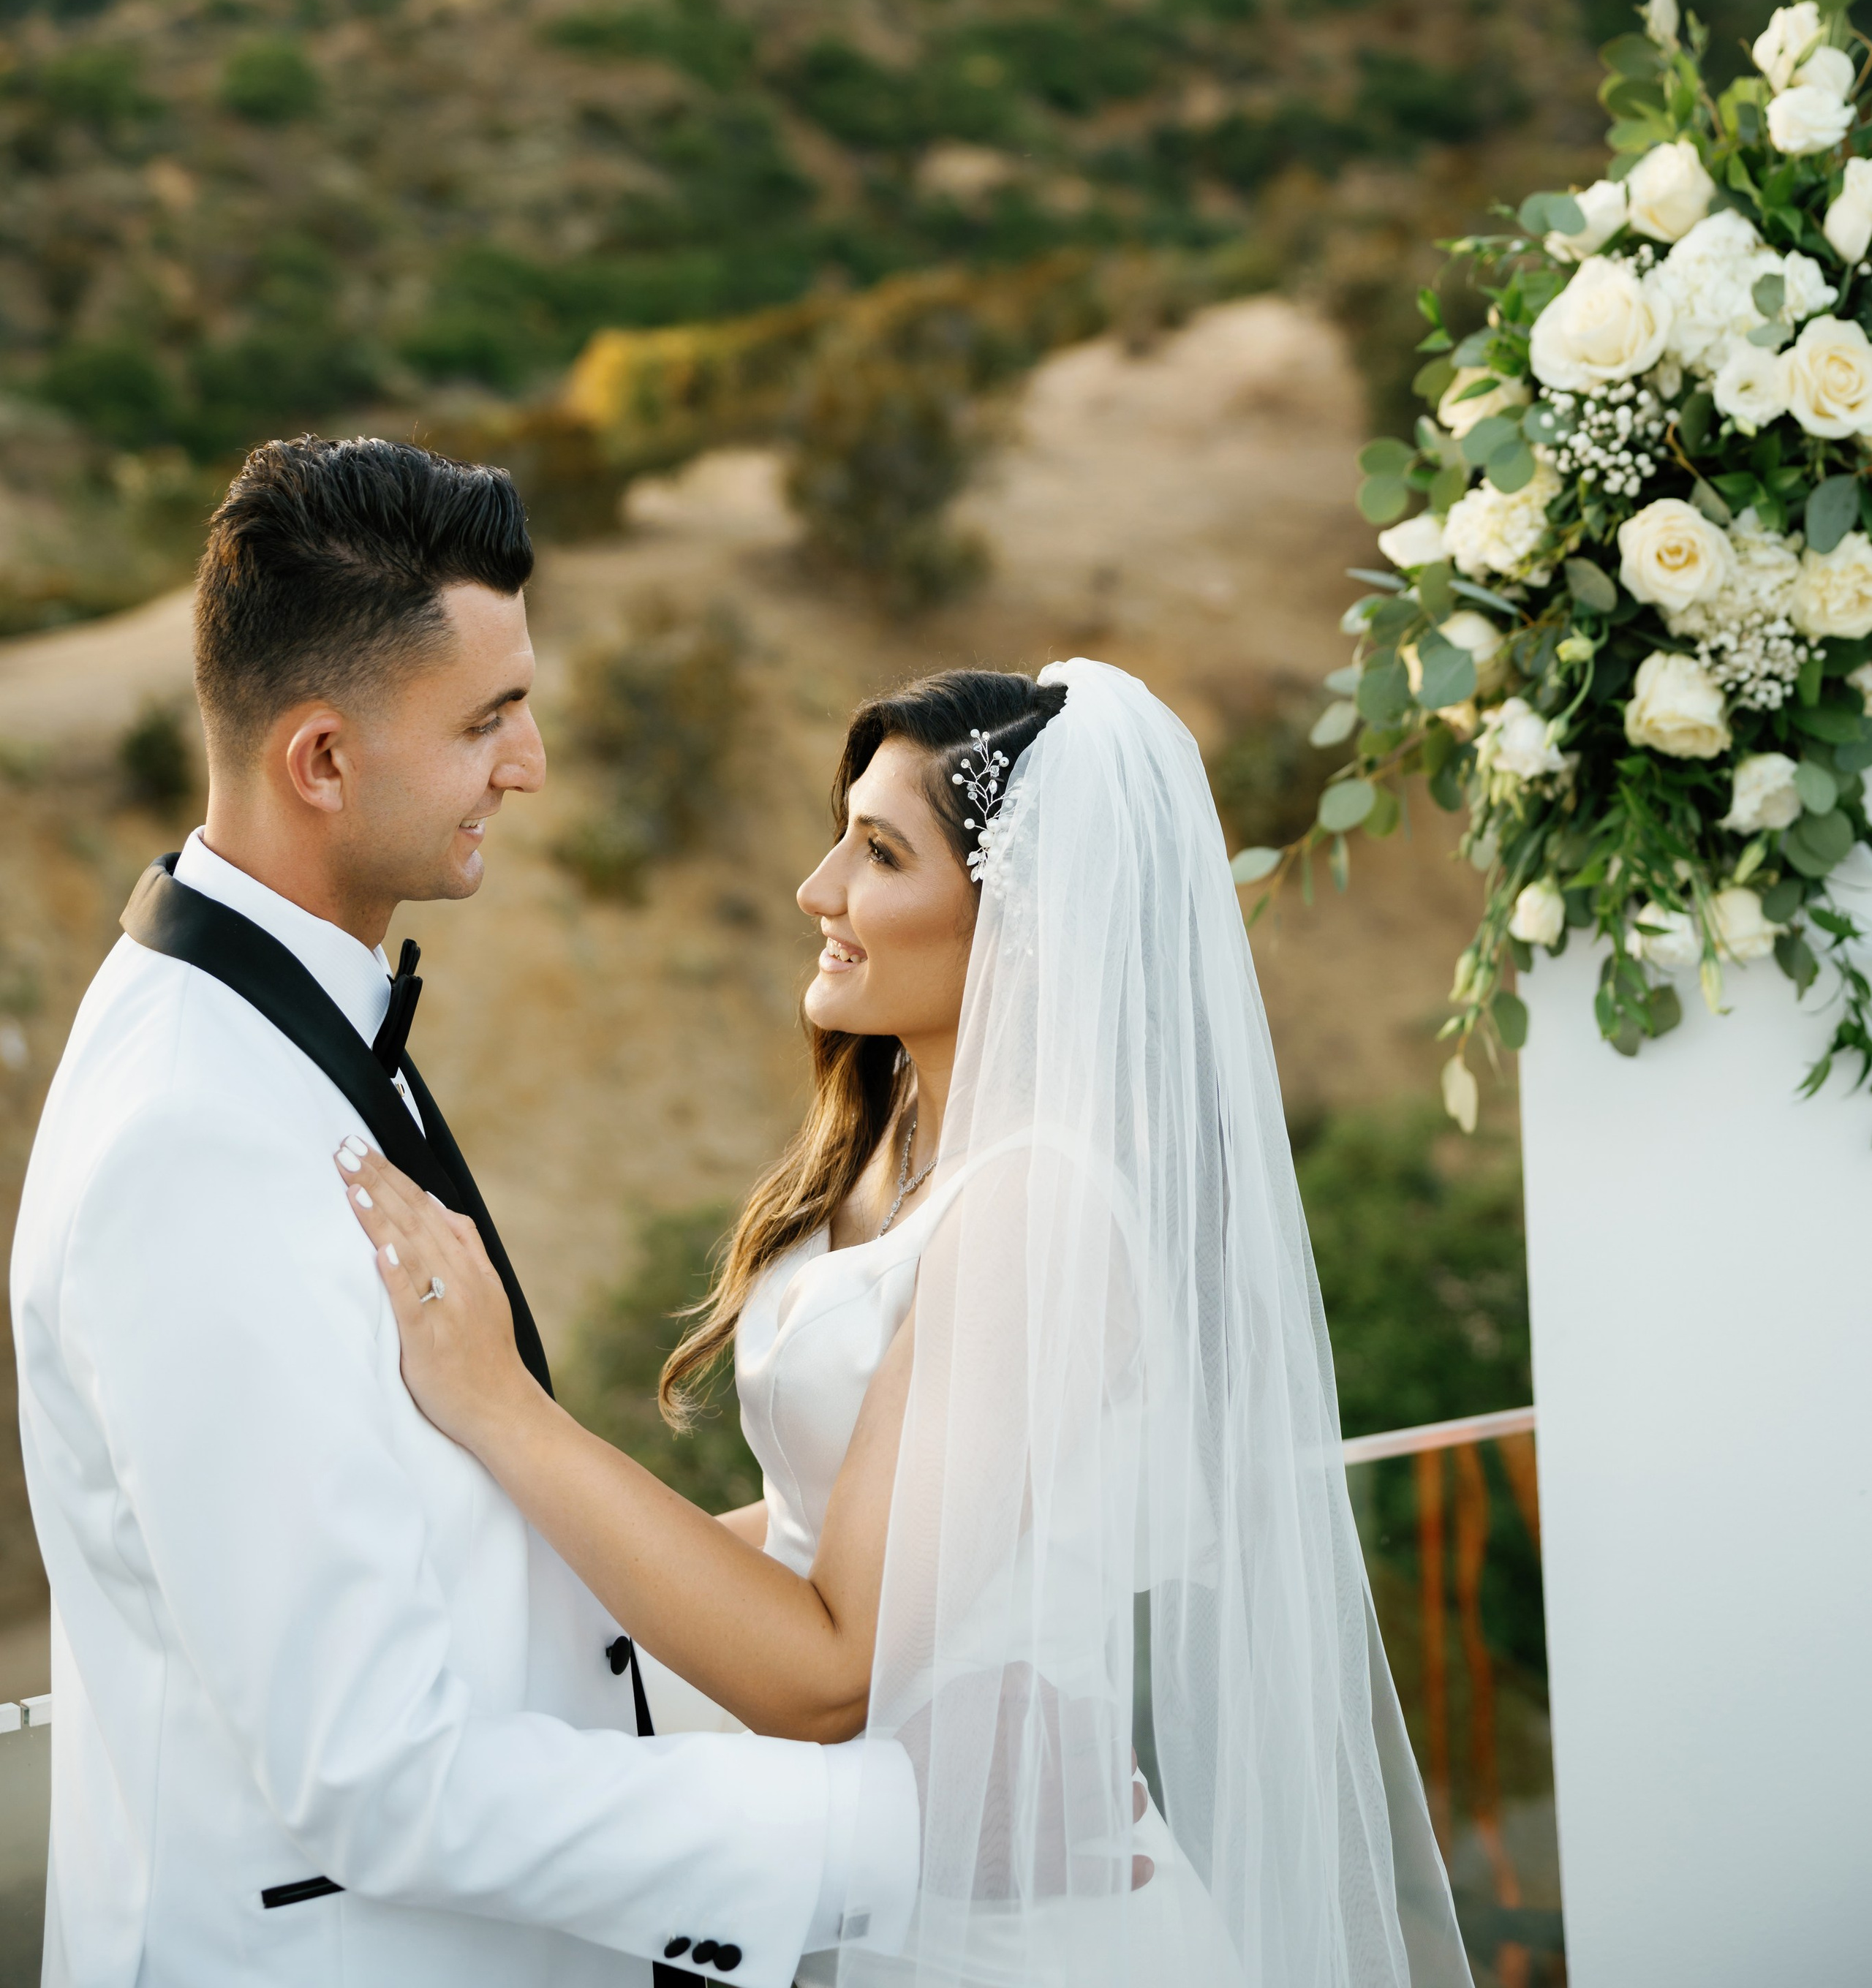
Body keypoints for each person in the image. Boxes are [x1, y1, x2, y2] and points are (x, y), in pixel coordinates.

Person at [336, 659, 1474, 1986]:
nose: (819, 889)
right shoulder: (890, 1145)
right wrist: (513, 1617)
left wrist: (498, 1407)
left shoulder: (1040, 1207)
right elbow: (811, 1526)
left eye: (880, 853)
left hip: (1021, 1934)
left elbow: (831, 1666)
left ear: (1026, 921)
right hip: (866, 1877)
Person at [10, 434, 917, 1988]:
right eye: (487, 719)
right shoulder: (192, 1139)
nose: (531, 762)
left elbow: (430, 1555)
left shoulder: (282, 1021)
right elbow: (372, 1774)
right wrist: (889, 1834)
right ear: (321, 760)